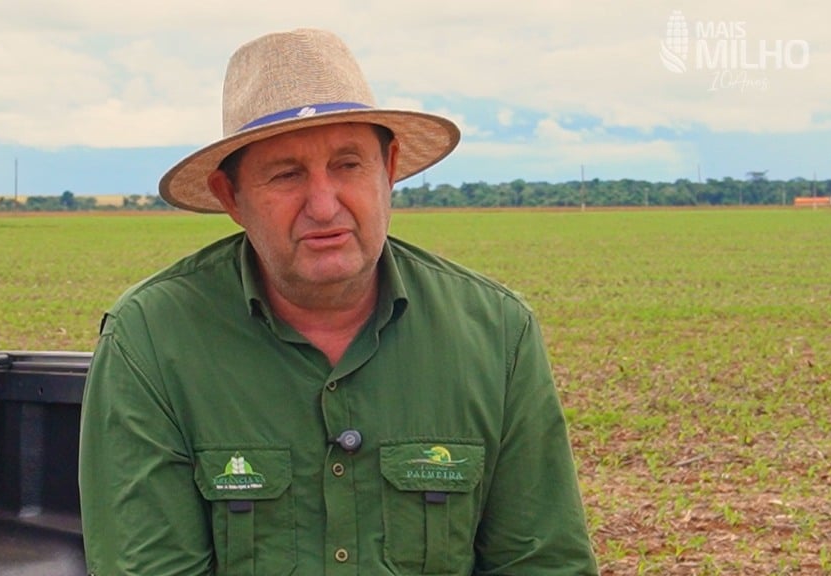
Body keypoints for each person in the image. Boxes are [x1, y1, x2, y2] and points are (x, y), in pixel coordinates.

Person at [79, 28, 598, 575]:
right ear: (231, 196)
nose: (324, 206)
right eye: (287, 174)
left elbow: (542, 563)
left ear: (389, 169)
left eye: (349, 165)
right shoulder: (153, 340)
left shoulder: (496, 333)